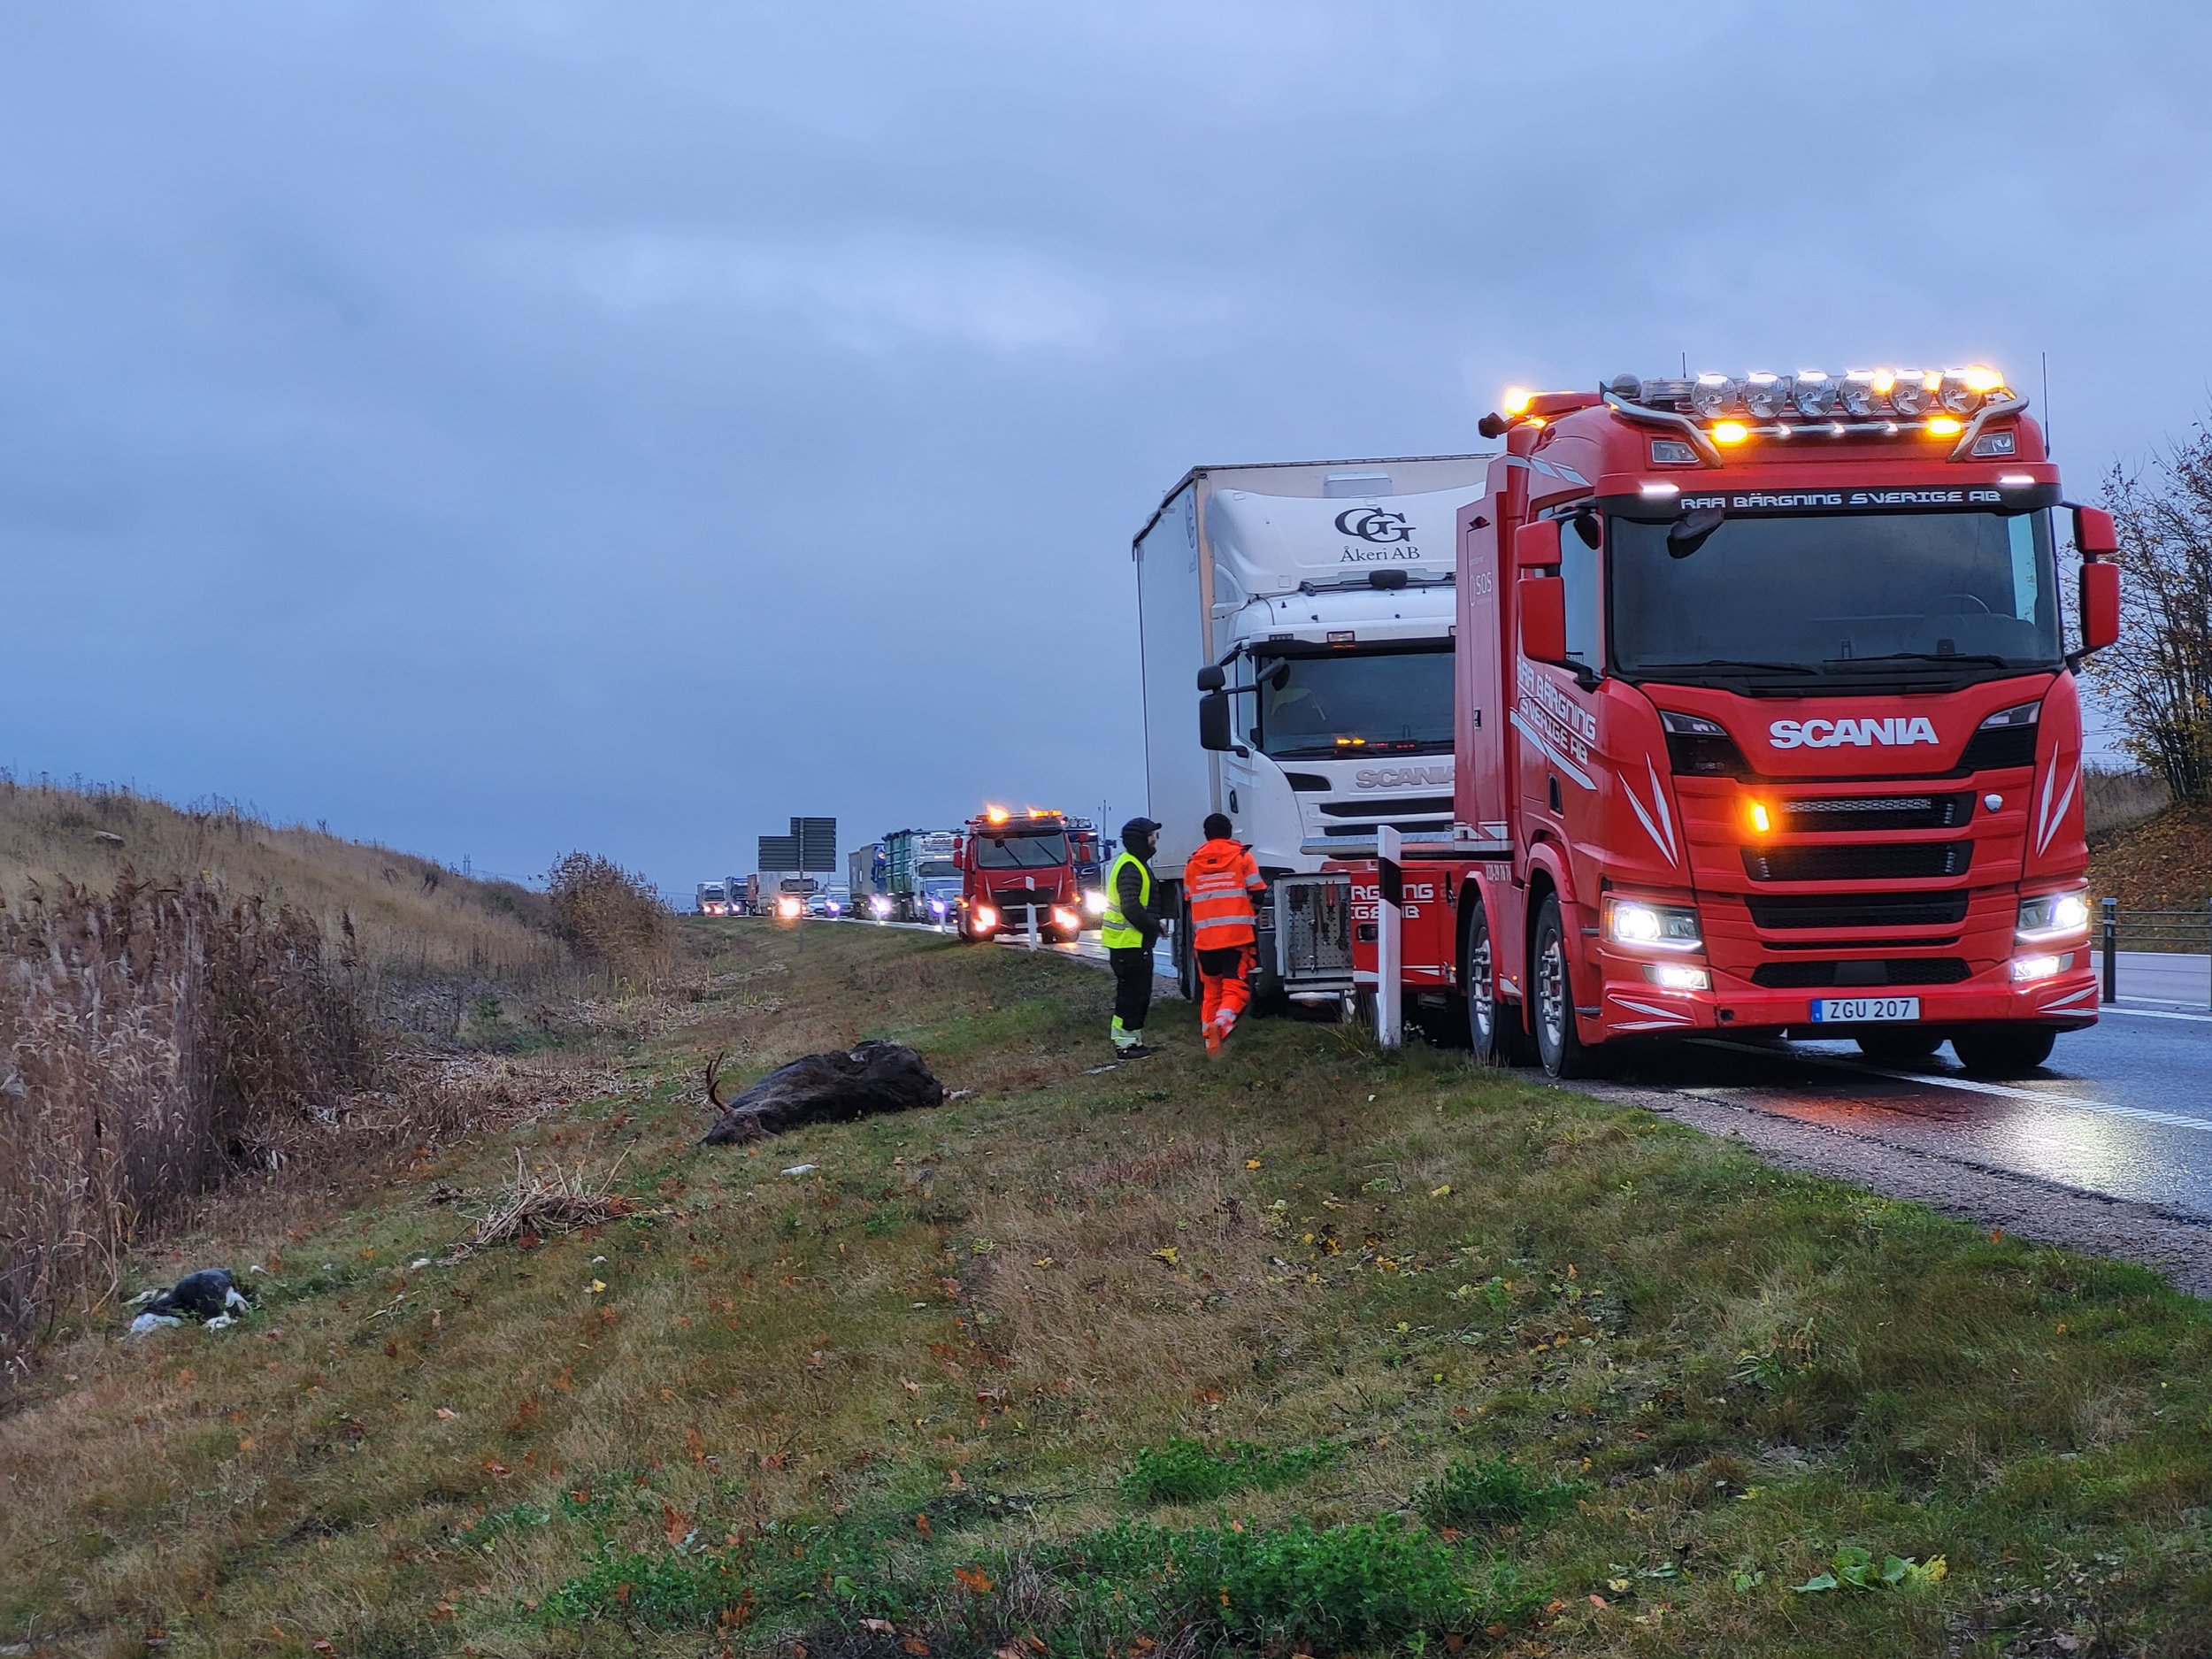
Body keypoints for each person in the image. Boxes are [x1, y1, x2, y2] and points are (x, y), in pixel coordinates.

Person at [1184, 811, 1265, 1056]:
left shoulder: (1192, 863)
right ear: (1230, 833)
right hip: (1236, 939)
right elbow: (1258, 891)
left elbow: (1189, 897)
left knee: (1211, 991)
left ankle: (1210, 1044)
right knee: (1236, 990)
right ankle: (1220, 1025)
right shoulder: (1242, 857)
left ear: (1206, 835)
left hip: (1205, 942)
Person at [1101, 817, 1164, 1055]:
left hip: (1131, 943)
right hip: (1129, 944)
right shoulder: (1131, 867)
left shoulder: (1134, 863)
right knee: (1132, 996)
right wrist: (1154, 926)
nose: (1154, 841)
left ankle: (1132, 1041)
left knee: (1137, 995)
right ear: (1140, 840)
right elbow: (1131, 907)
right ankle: (1126, 1046)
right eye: (1151, 837)